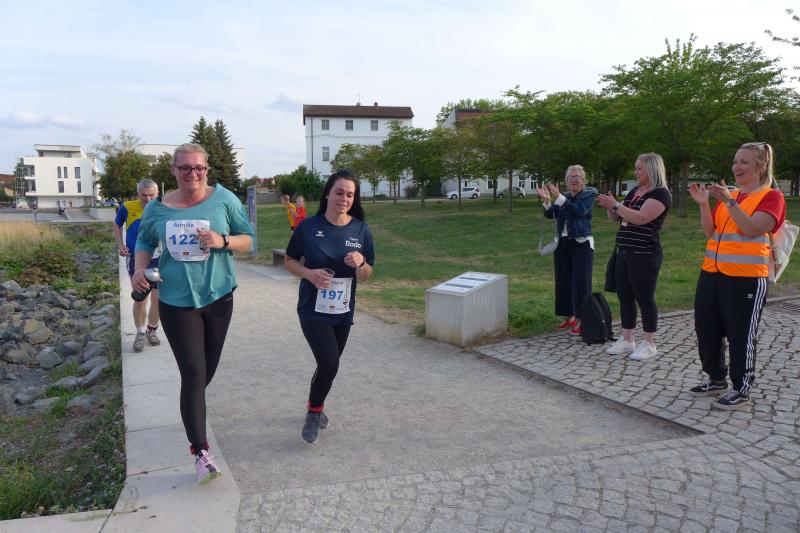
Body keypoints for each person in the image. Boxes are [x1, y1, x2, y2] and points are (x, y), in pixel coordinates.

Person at [133, 143, 254, 483]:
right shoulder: (158, 208)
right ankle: (201, 452)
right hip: (175, 301)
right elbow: (144, 241)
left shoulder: (224, 199)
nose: (192, 173)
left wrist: (222, 241)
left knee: (204, 374)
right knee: (193, 374)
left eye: (198, 167)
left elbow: (248, 239)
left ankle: (191, 413)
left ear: (206, 169)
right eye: (185, 167)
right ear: (173, 170)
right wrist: (139, 270)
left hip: (218, 298)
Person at [688, 142, 786, 410]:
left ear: (760, 166)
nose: (737, 167)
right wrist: (704, 205)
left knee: (740, 333)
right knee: (706, 329)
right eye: (735, 161)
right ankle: (716, 378)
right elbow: (711, 232)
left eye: (744, 162)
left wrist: (729, 202)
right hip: (712, 273)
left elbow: (752, 228)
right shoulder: (730, 195)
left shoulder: (772, 197)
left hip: (746, 277)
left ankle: (741, 386)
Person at [284, 169, 374, 444]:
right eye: (339, 192)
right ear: (328, 194)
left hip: (343, 310)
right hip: (312, 308)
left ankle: (315, 404)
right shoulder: (308, 227)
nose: (344, 198)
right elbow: (289, 260)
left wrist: (360, 263)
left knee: (328, 366)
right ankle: (314, 412)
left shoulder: (361, 230)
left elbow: (367, 274)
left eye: (350, 194)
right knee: (329, 362)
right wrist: (309, 274)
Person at [597, 153, 672, 360]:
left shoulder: (660, 194)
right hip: (624, 251)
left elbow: (640, 218)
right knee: (625, 296)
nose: (635, 172)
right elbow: (617, 216)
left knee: (644, 298)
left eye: (640, 168)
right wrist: (610, 207)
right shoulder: (635, 191)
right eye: (636, 167)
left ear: (652, 170)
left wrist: (616, 205)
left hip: (645, 254)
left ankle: (649, 343)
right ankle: (627, 339)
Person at [535, 165, 596, 334]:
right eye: (571, 177)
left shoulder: (589, 194)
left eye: (577, 177)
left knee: (581, 283)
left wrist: (559, 197)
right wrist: (547, 200)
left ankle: (583, 319)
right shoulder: (565, 196)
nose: (574, 179)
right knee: (563, 281)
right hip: (562, 243)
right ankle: (569, 317)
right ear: (566, 181)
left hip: (581, 243)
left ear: (583, 180)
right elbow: (551, 214)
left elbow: (579, 211)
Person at [115, 179, 162, 352]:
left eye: (152, 195)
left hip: (159, 259)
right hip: (136, 259)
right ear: (138, 194)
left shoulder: (165, 208)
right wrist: (120, 245)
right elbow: (117, 224)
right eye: (144, 195)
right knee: (141, 298)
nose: (148, 199)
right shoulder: (127, 207)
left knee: (158, 298)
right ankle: (140, 332)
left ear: (157, 194)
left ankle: (152, 330)